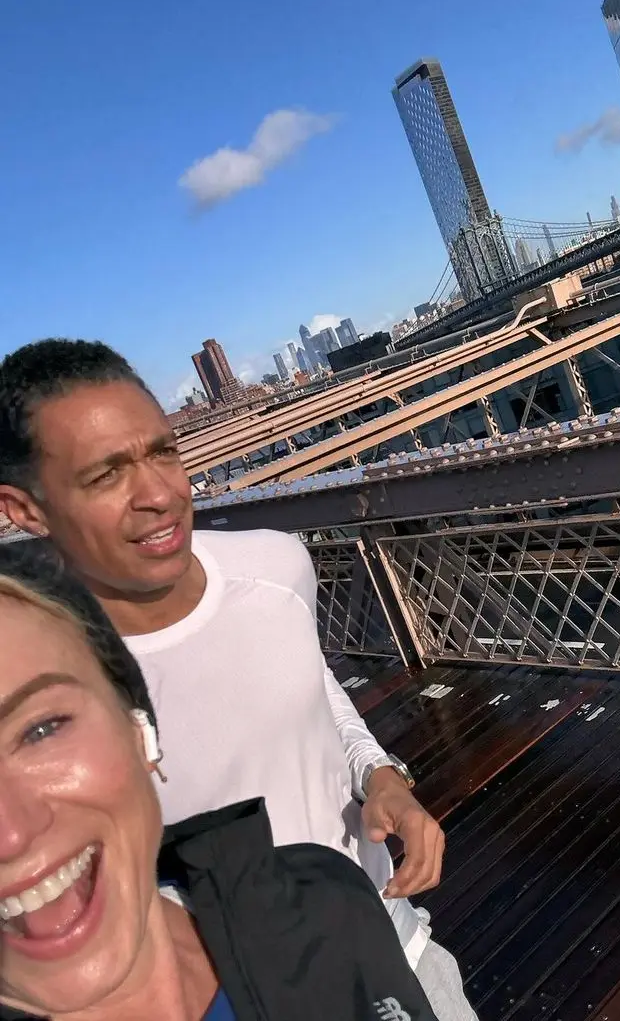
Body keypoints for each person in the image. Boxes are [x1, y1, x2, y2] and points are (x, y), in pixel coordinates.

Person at [0, 339, 478, 1021]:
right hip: (233, 994)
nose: (160, 495)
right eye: (106, 475)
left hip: (392, 948)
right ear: (26, 510)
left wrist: (382, 778)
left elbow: (315, 693)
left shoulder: (275, 566)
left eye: (162, 451)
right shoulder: (48, 679)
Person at [0, 543, 439, 1021]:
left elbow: (314, 682)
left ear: (138, 733)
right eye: (98, 479)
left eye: (41, 730)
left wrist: (380, 775)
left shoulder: (263, 569)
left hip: (387, 924)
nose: (11, 833)